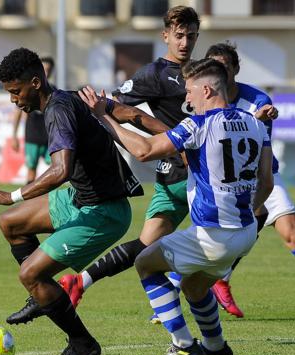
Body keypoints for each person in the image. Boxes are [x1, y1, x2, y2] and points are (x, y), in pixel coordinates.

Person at [77, 58, 274, 355]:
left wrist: (104, 117)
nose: (186, 99)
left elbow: (142, 151)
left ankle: (183, 346)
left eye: (190, 91)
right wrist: (249, 207)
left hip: (214, 234)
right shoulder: (255, 123)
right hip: (246, 233)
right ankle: (215, 345)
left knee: (145, 263)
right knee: (194, 286)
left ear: (207, 90)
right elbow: (267, 181)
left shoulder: (197, 125)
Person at [0, 47, 143, 355]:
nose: (13, 99)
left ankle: (82, 343)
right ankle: (41, 295)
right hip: (79, 199)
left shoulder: (58, 110)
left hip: (103, 213)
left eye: (15, 91)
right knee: (10, 224)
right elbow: (122, 112)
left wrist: (11, 195)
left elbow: (60, 170)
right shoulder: (64, 99)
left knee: (30, 273)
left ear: (35, 83)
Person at [58, 5, 200, 320]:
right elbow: (119, 105)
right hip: (185, 177)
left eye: (191, 36)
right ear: (166, 35)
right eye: (179, 36)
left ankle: (80, 280)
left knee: (146, 247)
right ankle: (192, 291)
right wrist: (91, 105)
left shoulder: (202, 73)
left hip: (180, 176)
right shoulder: (156, 73)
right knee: (216, 243)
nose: (184, 43)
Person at [204, 41, 295, 324]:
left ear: (235, 68)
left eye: (225, 67)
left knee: (294, 235)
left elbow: (259, 139)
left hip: (263, 179)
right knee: (207, 244)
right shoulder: (204, 100)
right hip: (224, 186)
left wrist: (261, 118)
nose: (220, 73)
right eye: (214, 68)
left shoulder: (257, 99)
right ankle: (169, 299)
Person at [11, 56, 54, 184]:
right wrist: (14, 136)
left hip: (50, 136)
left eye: (49, 69)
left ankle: (48, 200)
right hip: (32, 135)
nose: (46, 72)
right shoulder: (27, 89)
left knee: (55, 168)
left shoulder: (54, 90)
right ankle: (29, 202)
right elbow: (18, 112)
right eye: (44, 69)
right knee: (31, 170)